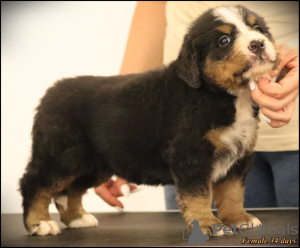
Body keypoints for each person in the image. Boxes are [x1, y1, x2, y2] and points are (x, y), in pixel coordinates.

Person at [94, 1, 299, 210]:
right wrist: (121, 128)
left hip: (294, 133)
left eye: (257, 29)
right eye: (225, 39)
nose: (254, 39)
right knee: (196, 235)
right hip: (182, 116)